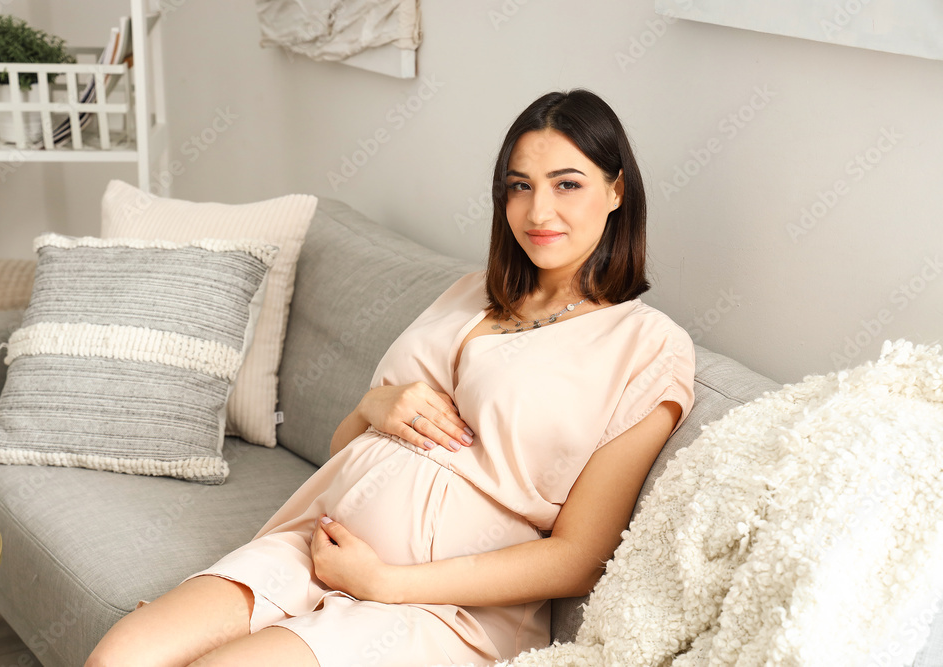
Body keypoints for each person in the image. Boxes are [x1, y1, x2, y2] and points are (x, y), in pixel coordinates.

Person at [86, 88, 696, 667]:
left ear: (616, 191)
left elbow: (579, 558)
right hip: (317, 544)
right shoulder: (469, 293)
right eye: (520, 186)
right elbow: (346, 450)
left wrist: (385, 583)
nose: (539, 211)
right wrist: (376, 405)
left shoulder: (648, 348)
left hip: (444, 605)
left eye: (568, 184)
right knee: (119, 656)